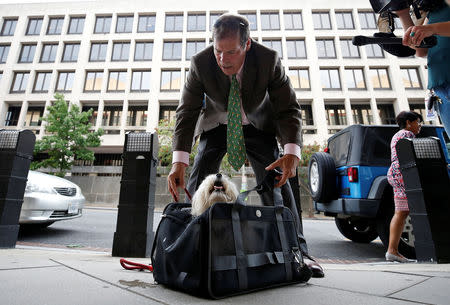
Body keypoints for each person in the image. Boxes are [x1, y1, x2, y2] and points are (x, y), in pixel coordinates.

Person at [166, 13, 324, 278]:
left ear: (247, 44)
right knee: (195, 180)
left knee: (279, 185)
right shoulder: (200, 63)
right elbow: (186, 112)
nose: (223, 59)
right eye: (218, 51)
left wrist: (291, 153)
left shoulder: (268, 60)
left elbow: (287, 109)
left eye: (231, 52)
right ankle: (188, 245)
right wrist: (178, 161)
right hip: (216, 125)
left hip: (257, 125)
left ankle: (297, 251)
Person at [395, 1, 450, 136]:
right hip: (439, 86)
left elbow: (429, 31)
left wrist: (432, 29)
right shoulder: (433, 11)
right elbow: (421, 51)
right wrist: (403, 14)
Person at [386, 111, 423, 262]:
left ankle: (392, 251)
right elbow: (413, 156)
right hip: (404, 174)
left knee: (400, 212)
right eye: (418, 122)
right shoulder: (407, 135)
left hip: (395, 173)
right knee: (415, 211)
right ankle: (393, 251)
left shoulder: (396, 135)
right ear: (409, 122)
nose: (419, 125)